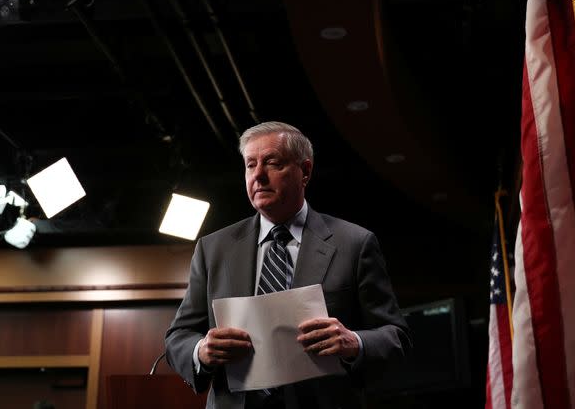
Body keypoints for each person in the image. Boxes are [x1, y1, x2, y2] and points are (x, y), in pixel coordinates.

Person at [165, 121, 411, 409]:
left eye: (273, 163)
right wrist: (200, 351)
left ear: (304, 171)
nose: (258, 175)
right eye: (250, 164)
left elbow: (395, 336)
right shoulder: (213, 248)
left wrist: (354, 342)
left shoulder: (354, 244)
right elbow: (178, 337)